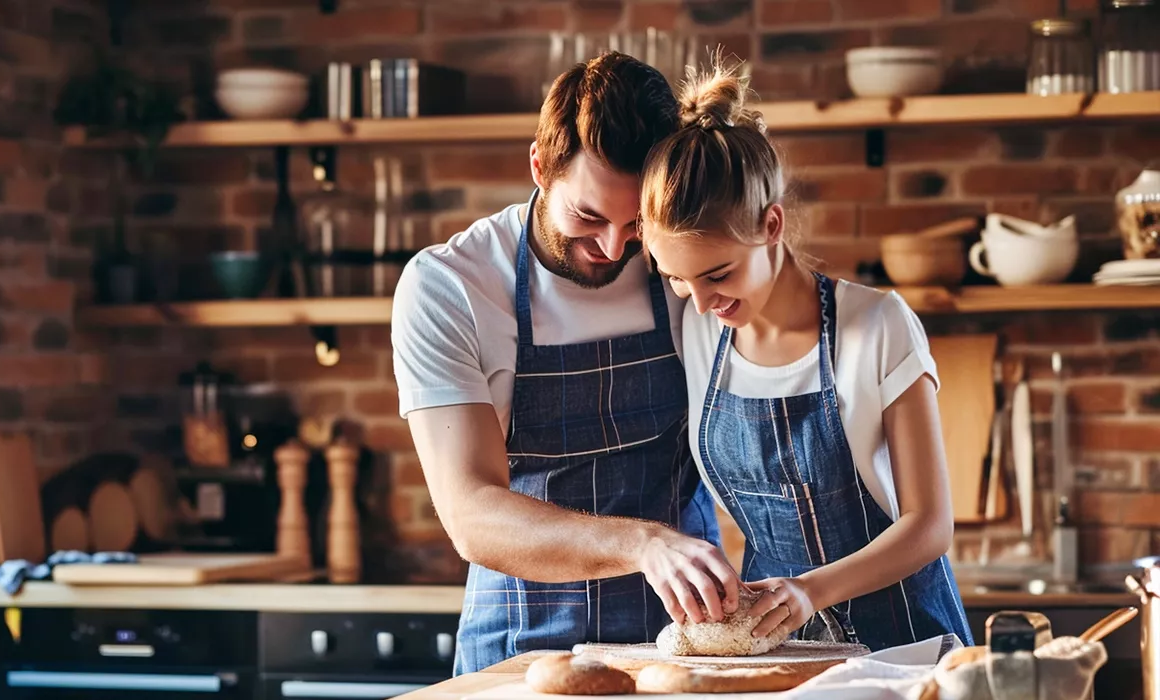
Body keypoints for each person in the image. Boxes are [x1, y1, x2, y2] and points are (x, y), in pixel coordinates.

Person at [391, 52, 740, 676]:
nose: (613, 249)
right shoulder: (451, 285)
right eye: (588, 216)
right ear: (539, 167)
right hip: (520, 650)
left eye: (636, 223)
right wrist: (643, 542)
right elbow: (471, 512)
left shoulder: (679, 264)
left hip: (688, 643)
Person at [637, 56, 975, 652]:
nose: (701, 299)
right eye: (676, 278)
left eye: (718, 273)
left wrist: (810, 592)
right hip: (785, 650)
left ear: (772, 225)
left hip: (906, 647)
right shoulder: (699, 329)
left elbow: (929, 527)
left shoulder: (876, 326)